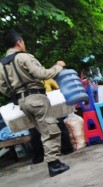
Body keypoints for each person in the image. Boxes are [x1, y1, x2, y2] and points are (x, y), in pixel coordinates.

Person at [0, 30, 70, 177]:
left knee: (41, 130)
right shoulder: (24, 57)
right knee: (50, 130)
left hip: (22, 102)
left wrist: (17, 94)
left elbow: (3, 88)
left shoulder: (2, 65)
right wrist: (58, 66)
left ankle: (53, 162)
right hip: (36, 98)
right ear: (19, 42)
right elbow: (42, 74)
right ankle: (54, 165)